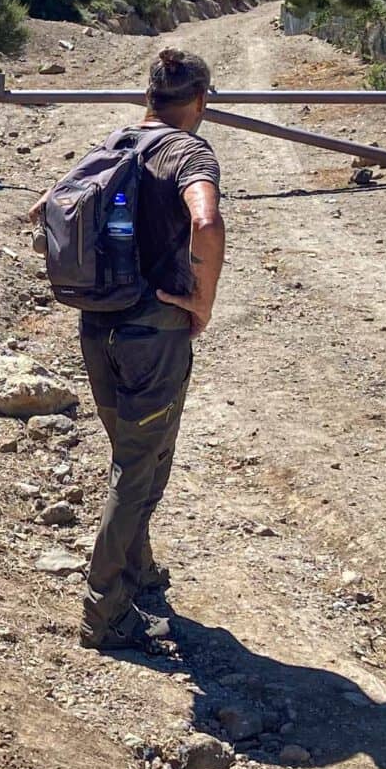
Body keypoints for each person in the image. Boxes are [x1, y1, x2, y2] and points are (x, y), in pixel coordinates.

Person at [66, 46, 225, 651]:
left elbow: (43, 208)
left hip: (97, 325)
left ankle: (139, 571)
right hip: (153, 335)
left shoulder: (117, 143)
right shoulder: (189, 151)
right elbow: (205, 224)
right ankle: (105, 612)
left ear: (149, 97)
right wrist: (202, 302)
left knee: (141, 455)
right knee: (136, 468)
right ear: (201, 101)